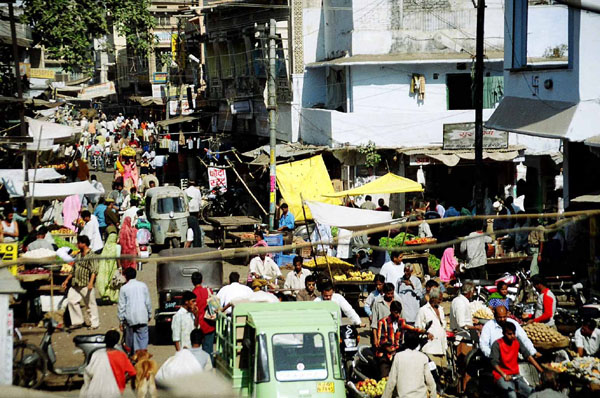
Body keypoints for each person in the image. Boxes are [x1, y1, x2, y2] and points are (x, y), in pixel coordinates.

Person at [491, 322, 543, 398]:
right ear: (504, 333)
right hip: (501, 375)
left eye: (514, 333)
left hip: (515, 374)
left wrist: (540, 370)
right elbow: (494, 362)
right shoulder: (497, 344)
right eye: (509, 334)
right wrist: (504, 375)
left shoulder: (517, 341)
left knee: (531, 392)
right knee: (512, 394)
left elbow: (527, 355)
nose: (512, 336)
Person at [80, 330, 136, 398]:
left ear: (105, 340)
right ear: (116, 341)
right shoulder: (121, 356)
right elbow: (132, 373)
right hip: (116, 390)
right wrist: (123, 379)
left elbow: (89, 372)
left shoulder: (97, 354)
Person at [382, 330, 436, 398]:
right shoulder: (423, 358)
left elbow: (391, 382)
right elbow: (431, 383)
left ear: (405, 342)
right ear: (417, 343)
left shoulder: (398, 357)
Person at [375, 301, 424, 378]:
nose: (398, 315)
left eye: (399, 313)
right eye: (396, 312)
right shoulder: (382, 322)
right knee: (384, 378)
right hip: (385, 355)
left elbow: (412, 328)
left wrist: (422, 331)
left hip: (398, 353)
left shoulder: (401, 322)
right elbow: (380, 341)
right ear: (391, 311)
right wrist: (389, 349)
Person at [62, 235, 100, 330]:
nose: (77, 244)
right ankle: (78, 321)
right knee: (71, 300)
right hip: (76, 283)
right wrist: (66, 280)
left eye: (79, 243)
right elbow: (74, 269)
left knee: (90, 304)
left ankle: (94, 323)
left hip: (86, 283)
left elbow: (94, 270)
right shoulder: (78, 255)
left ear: (84, 244)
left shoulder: (92, 256)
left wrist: (91, 283)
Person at [118, 268, 152, 353]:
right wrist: (149, 314)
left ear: (125, 276)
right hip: (142, 316)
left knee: (130, 341)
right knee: (142, 339)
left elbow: (121, 306)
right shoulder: (143, 285)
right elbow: (148, 302)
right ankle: (142, 357)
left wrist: (121, 321)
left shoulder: (124, 288)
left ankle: (134, 358)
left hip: (130, 318)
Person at [416, 287, 447, 368]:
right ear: (433, 298)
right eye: (439, 299)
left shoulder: (440, 309)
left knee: (444, 374)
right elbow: (417, 328)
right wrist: (426, 334)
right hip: (430, 348)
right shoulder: (423, 310)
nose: (441, 301)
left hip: (442, 347)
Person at [192, 272, 216, 357]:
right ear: (202, 280)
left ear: (192, 281)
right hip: (210, 323)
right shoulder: (208, 291)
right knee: (209, 350)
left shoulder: (193, 295)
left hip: (199, 325)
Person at [96, 231, 121, 303]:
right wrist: (120, 267)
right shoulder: (117, 247)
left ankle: (106, 296)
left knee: (106, 281)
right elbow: (118, 258)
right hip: (114, 267)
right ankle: (113, 297)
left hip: (105, 268)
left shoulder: (105, 247)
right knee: (114, 282)